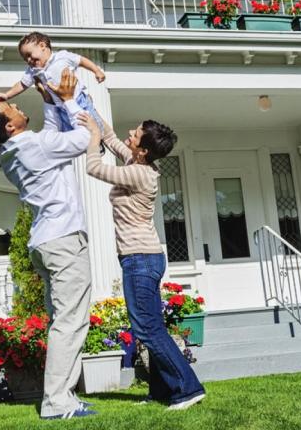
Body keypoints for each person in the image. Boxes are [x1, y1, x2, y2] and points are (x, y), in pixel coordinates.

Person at [0, 68, 96, 420]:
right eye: (8, 109)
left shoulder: (15, 153)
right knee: (70, 322)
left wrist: (51, 104)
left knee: (63, 319)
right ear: (9, 127)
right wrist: (70, 101)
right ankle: (57, 402)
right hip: (63, 241)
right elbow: (81, 139)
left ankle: (63, 398)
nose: (12, 104)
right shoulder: (34, 146)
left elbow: (53, 137)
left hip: (45, 242)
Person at [78, 112, 207, 410]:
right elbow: (111, 138)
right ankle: (162, 391)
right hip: (141, 258)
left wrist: (91, 139)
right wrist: (91, 112)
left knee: (147, 328)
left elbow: (93, 166)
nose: (130, 134)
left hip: (140, 258)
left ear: (143, 149)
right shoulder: (138, 163)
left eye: (135, 134)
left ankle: (188, 388)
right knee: (148, 327)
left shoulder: (139, 173)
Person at [0, 31, 106, 132]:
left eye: (29, 55)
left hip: (79, 100)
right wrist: (7, 95)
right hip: (61, 108)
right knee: (70, 131)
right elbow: (22, 84)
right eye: (26, 59)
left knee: (93, 123)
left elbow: (81, 60)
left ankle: (99, 138)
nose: (29, 60)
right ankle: (88, 145)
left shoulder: (62, 56)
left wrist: (97, 71)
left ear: (42, 46)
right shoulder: (33, 71)